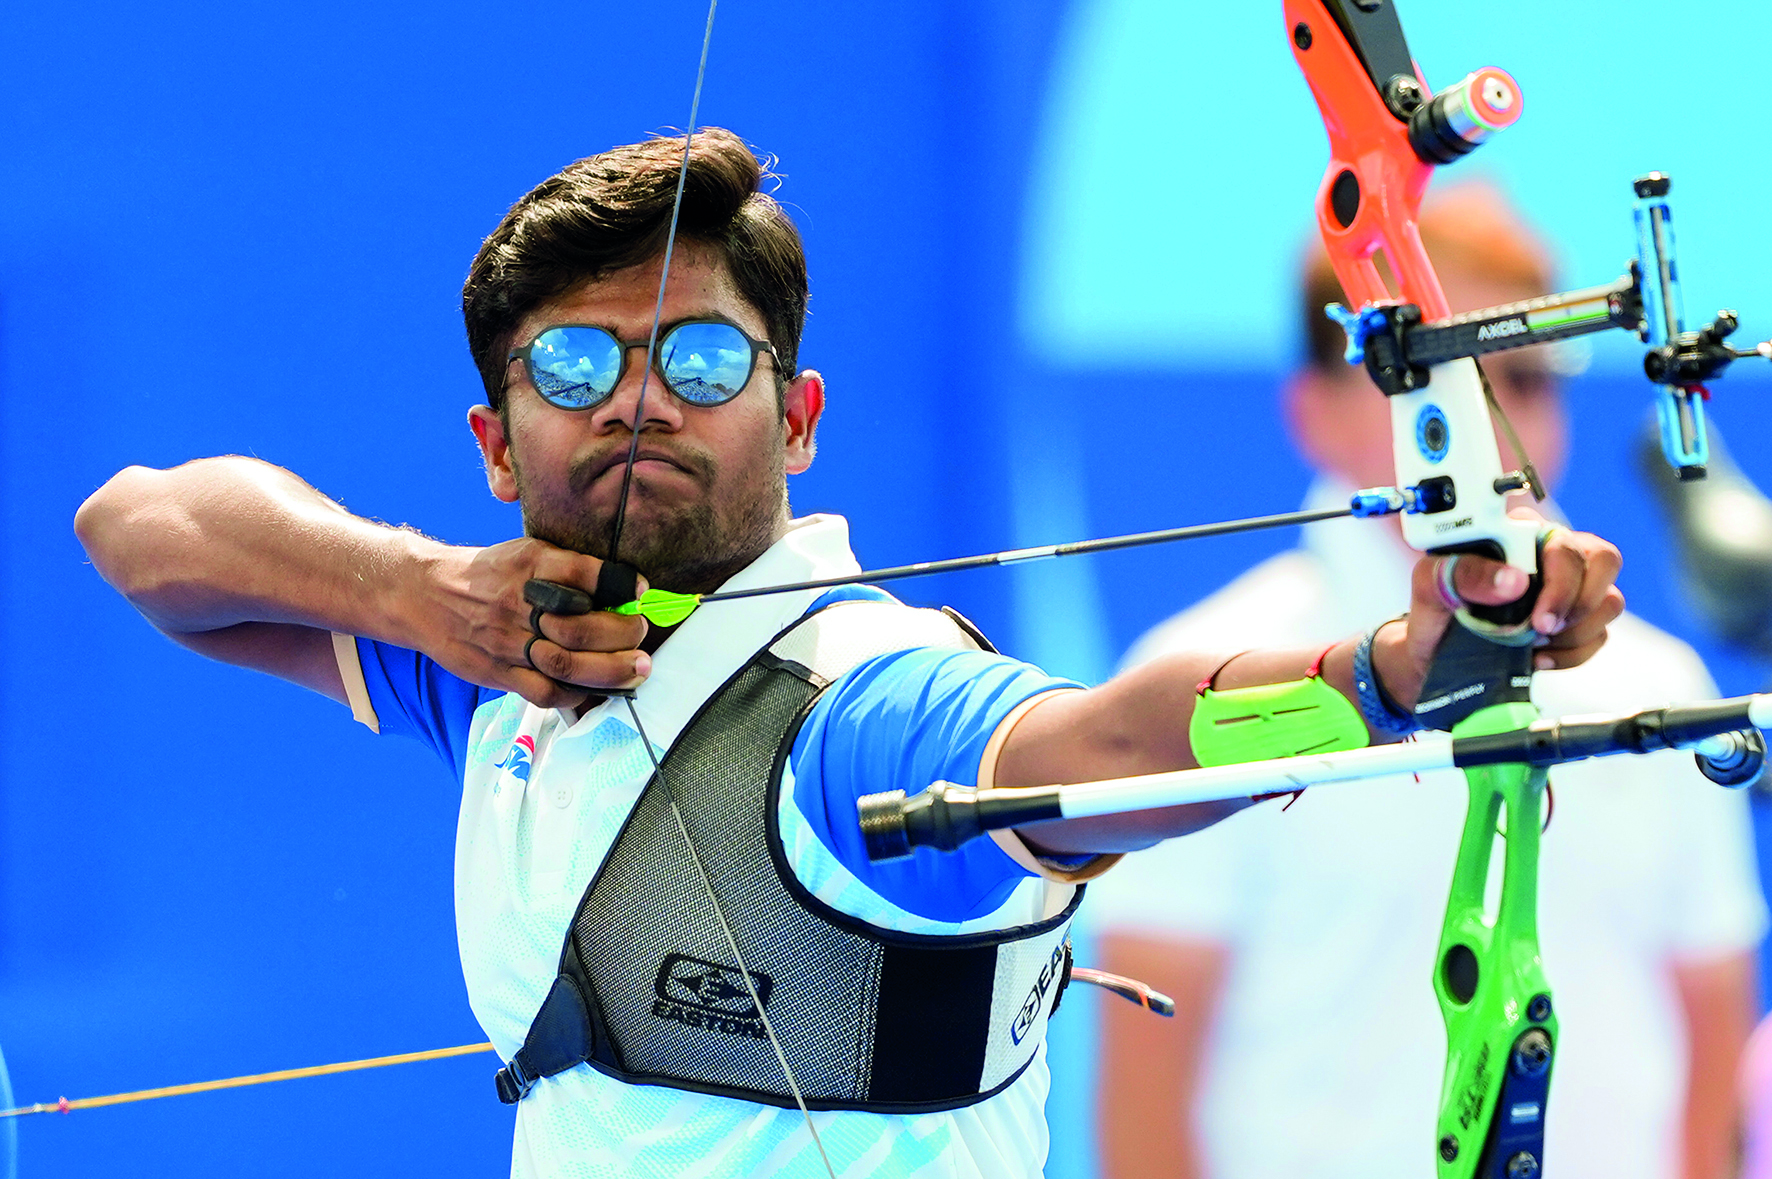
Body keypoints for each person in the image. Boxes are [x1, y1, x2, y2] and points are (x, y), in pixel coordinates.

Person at [73, 133, 1625, 1179]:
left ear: (796, 416)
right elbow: (144, 530)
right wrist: (424, 592)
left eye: (697, 357)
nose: (635, 399)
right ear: (496, 443)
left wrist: (1393, 670)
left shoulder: (860, 701)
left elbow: (1087, 750)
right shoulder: (502, 661)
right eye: (572, 363)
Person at [1087, 187, 1765, 1179]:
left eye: (1525, 377)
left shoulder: (1657, 680)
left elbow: (1709, 1042)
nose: (1490, 418)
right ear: (1312, 412)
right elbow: (1145, 1096)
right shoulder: (1198, 681)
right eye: (1438, 380)